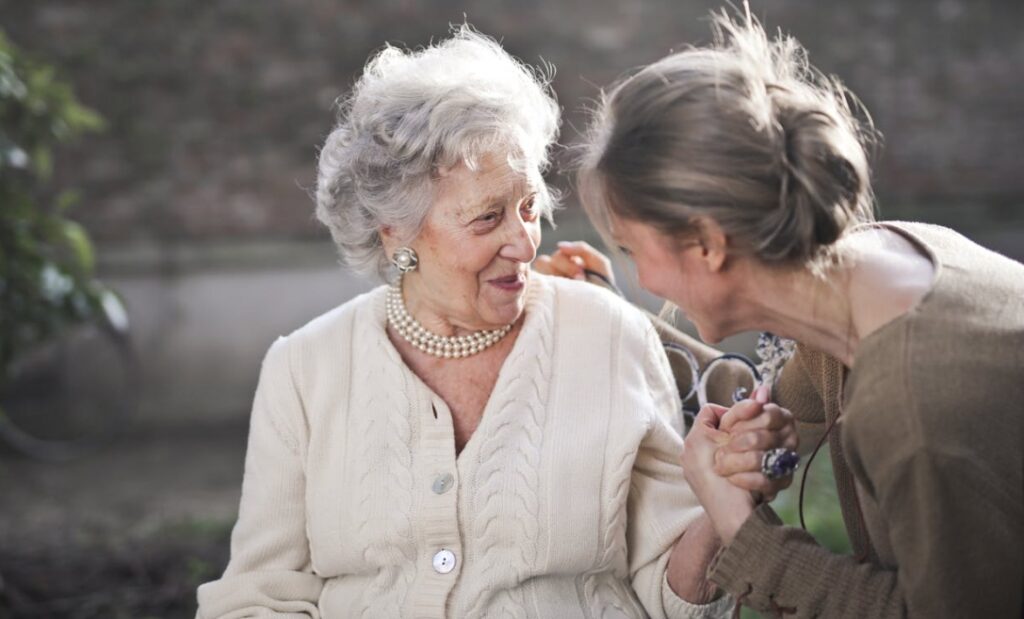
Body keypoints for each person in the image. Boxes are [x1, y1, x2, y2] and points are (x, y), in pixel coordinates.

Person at [195, 27, 797, 619]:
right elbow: (260, 595)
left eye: (529, 207)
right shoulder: (305, 368)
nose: (523, 243)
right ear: (396, 232)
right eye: (487, 219)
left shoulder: (610, 336)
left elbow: (669, 596)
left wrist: (724, 500)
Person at [545, 7, 1024, 618]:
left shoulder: (913, 402)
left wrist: (743, 532)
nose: (644, 279)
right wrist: (608, 314)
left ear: (708, 244)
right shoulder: (881, 263)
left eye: (636, 252)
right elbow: (769, 396)